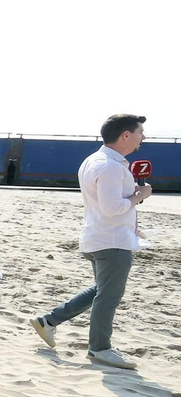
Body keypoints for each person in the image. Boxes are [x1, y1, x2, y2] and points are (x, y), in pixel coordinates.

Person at [30, 113, 151, 369]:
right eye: (140, 132)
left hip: (100, 236)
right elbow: (113, 207)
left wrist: (133, 211)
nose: (143, 137)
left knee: (100, 290)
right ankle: (100, 349)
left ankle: (48, 321)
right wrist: (141, 195)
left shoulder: (95, 160)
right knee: (109, 296)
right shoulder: (110, 166)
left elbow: (107, 204)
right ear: (125, 135)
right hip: (112, 241)